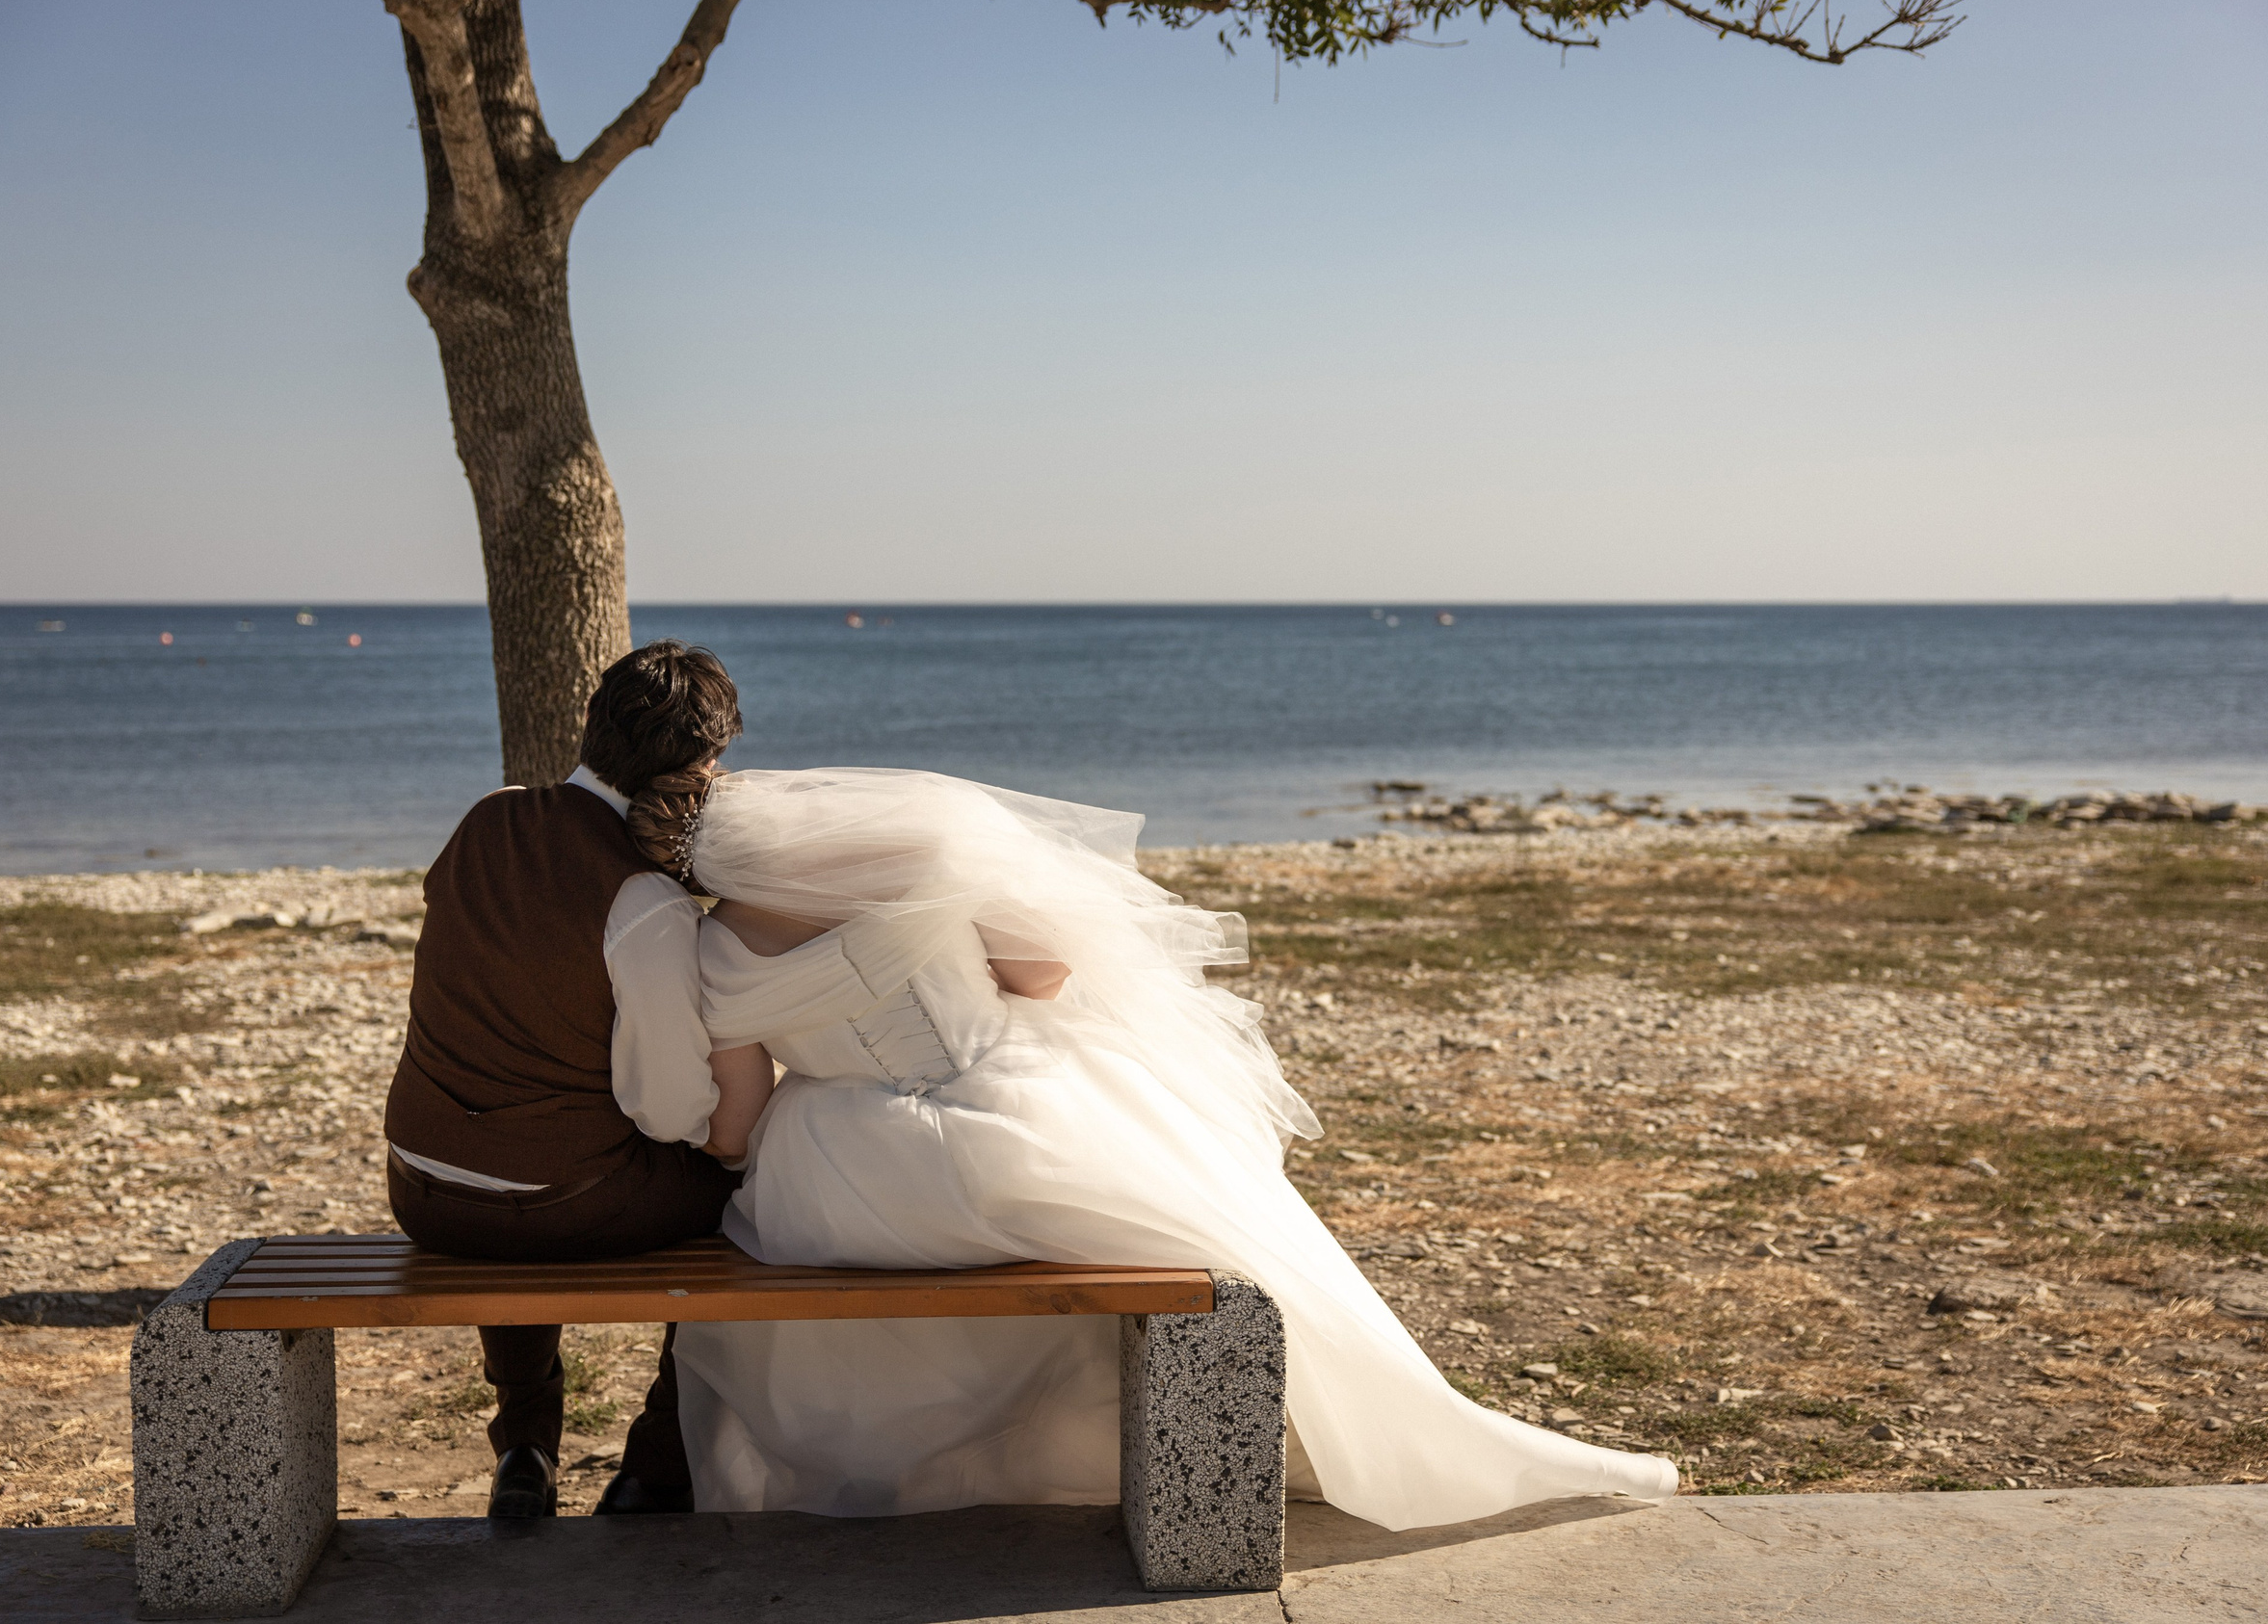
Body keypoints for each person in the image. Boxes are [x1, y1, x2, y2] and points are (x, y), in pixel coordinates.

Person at [621, 765, 1677, 1531]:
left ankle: (929, 1476)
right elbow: (1042, 975)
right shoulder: (913, 863)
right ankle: (1382, 1428)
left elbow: (736, 1124)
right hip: (1009, 1122)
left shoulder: (715, 950)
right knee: (1217, 1222)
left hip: (846, 1179)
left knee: (789, 1239)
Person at [382, 641, 744, 1519]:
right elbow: (671, 1112)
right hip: (560, 1206)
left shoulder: (486, 817)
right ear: (696, 769)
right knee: (757, 1200)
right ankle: (658, 1465)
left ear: (593, 725)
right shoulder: (643, 901)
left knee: (514, 1145)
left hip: (422, 1187)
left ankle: (526, 1446)